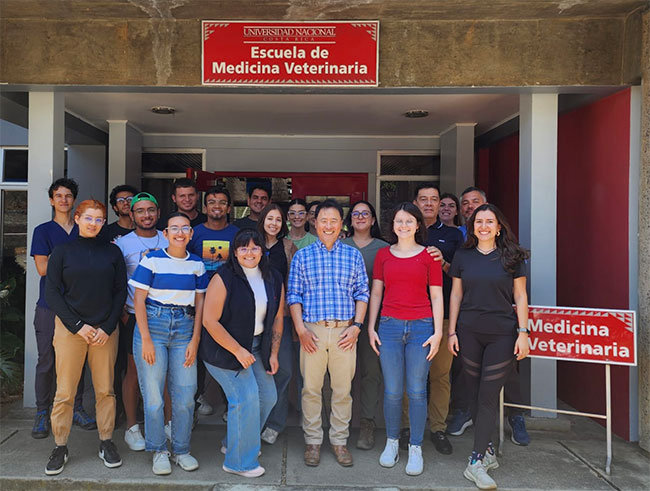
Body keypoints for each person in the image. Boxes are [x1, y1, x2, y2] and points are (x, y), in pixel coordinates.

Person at [448, 203, 530, 490]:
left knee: (487, 395)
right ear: (472, 227)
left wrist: (523, 332)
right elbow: (456, 296)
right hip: (468, 332)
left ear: (498, 227)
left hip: (502, 335)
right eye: (478, 221)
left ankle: (476, 461)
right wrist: (451, 332)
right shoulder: (463, 256)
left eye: (489, 221)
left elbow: (520, 296)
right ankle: (490, 450)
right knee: (473, 392)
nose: (483, 226)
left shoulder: (512, 256)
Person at [44, 199, 127, 475]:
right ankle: (60, 445)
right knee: (65, 391)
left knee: (105, 390)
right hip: (71, 330)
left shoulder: (113, 253)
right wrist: (78, 326)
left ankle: (106, 441)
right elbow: (52, 293)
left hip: (105, 331)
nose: (94, 223)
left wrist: (106, 326)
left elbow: (119, 292)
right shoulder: (62, 252)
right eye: (88, 218)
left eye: (99, 219)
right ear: (77, 218)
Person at [287, 199, 369, 468]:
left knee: (342, 390)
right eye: (324, 220)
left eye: (334, 220)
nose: (329, 225)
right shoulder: (303, 255)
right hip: (312, 331)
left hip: (346, 331)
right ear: (315, 223)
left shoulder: (352, 255)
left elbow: (362, 293)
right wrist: (300, 329)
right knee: (311, 389)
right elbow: (294, 295)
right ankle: (312, 441)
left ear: (341, 224)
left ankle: (339, 441)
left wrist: (357, 326)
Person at [200, 228, 285, 477]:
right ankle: (238, 462)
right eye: (244, 248)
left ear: (262, 251)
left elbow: (278, 318)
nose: (250, 252)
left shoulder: (273, 277)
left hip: (257, 347)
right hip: (224, 351)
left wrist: (273, 353)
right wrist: (238, 350)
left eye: (255, 247)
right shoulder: (223, 277)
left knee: (268, 396)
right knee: (246, 399)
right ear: (235, 252)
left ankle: (234, 443)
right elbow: (210, 321)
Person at [367, 202, 444, 476]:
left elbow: (436, 295)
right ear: (393, 225)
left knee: (416, 390)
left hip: (422, 328)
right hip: (388, 326)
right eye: (399, 221)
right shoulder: (383, 255)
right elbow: (376, 292)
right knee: (392, 390)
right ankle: (391, 442)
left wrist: (438, 332)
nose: (403, 226)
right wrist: (370, 327)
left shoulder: (429, 256)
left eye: (409, 221)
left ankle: (415, 446)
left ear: (417, 225)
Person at [131, 212, 208, 475]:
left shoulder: (197, 264)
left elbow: (200, 305)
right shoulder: (152, 259)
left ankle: (181, 449)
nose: (179, 232)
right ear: (165, 233)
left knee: (186, 395)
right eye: (174, 228)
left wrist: (195, 340)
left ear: (191, 233)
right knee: (153, 397)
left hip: (185, 328)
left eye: (184, 228)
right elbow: (138, 301)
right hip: (153, 325)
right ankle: (159, 449)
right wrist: (147, 340)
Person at [30, 177, 96, 439]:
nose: (64, 200)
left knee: (76, 362)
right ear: (51, 200)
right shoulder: (43, 231)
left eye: (68, 195)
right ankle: (41, 412)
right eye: (59, 196)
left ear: (74, 201)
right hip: (49, 306)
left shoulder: (83, 229)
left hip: (79, 307)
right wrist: (75, 265)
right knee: (47, 360)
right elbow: (42, 268)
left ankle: (77, 408)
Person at [399, 184, 463, 456]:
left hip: (443, 317)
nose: (428, 204)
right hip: (408, 315)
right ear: (415, 202)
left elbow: (462, 277)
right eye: (423, 199)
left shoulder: (453, 236)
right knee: (408, 377)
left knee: (440, 375)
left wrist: (444, 264)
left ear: (441, 205)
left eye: (433, 200)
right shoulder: (403, 231)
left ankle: (437, 428)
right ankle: (405, 428)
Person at [114, 192, 168, 451]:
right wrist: (123, 313)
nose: (146, 215)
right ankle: (132, 427)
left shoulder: (169, 238)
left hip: (167, 315)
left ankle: (167, 424)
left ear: (158, 213)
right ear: (131, 214)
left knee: (166, 373)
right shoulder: (122, 244)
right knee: (134, 372)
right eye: (140, 211)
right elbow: (115, 282)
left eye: (151, 210)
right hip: (135, 316)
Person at [187, 186, 239, 417]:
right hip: (198, 302)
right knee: (196, 351)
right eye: (211, 202)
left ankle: (230, 402)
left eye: (221, 202)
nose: (216, 206)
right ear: (205, 207)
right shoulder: (194, 233)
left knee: (227, 350)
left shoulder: (237, 234)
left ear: (229, 208)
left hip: (230, 304)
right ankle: (197, 399)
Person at [341, 200, 388, 450]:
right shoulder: (339, 246)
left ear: (372, 220)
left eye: (365, 214)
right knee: (340, 375)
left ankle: (367, 424)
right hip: (341, 321)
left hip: (375, 322)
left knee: (371, 372)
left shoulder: (384, 249)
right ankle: (341, 424)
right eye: (356, 213)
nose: (360, 217)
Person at [257, 204, 297, 445]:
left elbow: (294, 282)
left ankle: (275, 422)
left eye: (279, 220)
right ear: (262, 220)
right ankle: (257, 420)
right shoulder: (250, 243)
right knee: (257, 370)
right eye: (270, 218)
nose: (274, 223)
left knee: (283, 370)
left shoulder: (288, 247)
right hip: (253, 315)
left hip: (281, 316)